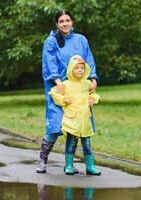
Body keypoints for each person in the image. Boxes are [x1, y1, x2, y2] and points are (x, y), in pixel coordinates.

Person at [36, 10, 98, 173]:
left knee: (79, 126)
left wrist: (93, 78)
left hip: (79, 89)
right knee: (55, 125)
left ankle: (69, 164)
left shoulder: (81, 40)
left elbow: (88, 59)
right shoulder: (51, 41)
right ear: (57, 24)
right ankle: (42, 160)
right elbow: (49, 63)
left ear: (72, 22)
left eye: (68, 20)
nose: (65, 23)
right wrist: (58, 82)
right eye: (61, 21)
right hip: (59, 89)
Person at [49, 55, 101, 176]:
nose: (80, 70)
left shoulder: (87, 83)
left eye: (82, 68)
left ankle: (90, 166)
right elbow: (53, 92)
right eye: (77, 68)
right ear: (71, 69)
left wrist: (93, 99)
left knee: (87, 144)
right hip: (72, 120)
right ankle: (69, 165)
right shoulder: (66, 84)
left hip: (85, 120)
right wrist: (63, 98)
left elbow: (94, 94)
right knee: (71, 143)